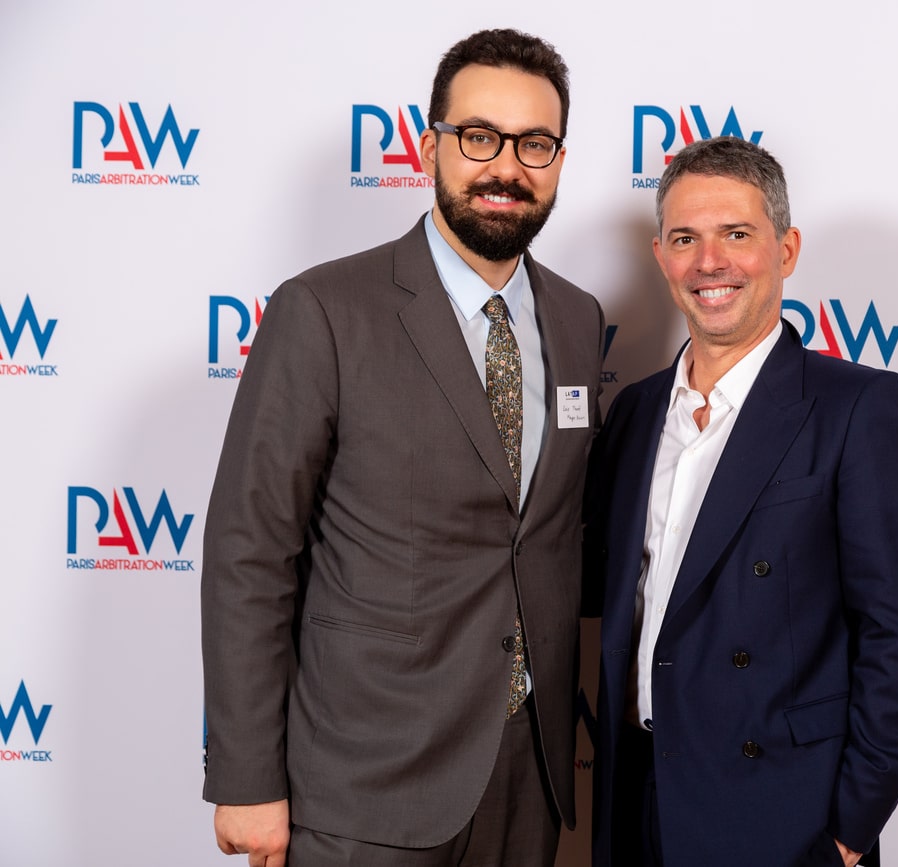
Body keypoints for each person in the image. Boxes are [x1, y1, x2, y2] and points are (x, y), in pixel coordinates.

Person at [201, 28, 605, 867]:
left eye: (534, 144)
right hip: (364, 784)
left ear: (560, 160)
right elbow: (250, 551)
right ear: (431, 147)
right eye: (480, 136)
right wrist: (247, 777)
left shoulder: (577, 318)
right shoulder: (324, 311)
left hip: (526, 777)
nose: (506, 167)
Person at [584, 137, 898, 867]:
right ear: (660, 256)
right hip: (637, 803)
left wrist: (845, 836)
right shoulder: (634, 412)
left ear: (786, 249)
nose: (709, 262)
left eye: (736, 235)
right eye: (685, 238)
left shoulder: (856, 407)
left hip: (783, 817)